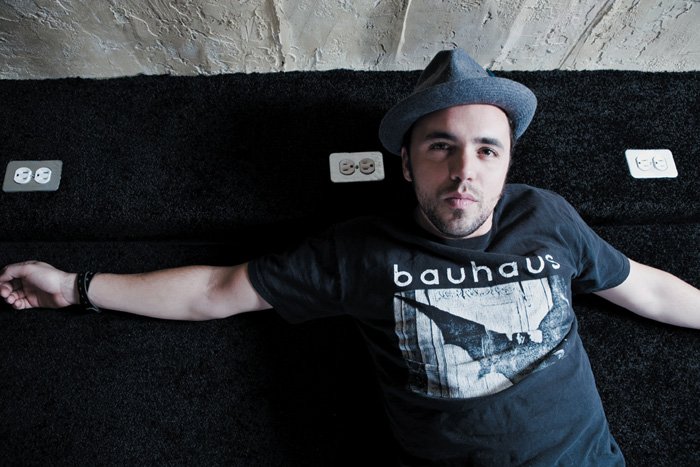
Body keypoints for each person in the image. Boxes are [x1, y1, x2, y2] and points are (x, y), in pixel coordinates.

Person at [1, 48, 698, 466]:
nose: (465, 170)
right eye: (441, 147)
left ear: (508, 162)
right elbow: (215, 289)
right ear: (407, 164)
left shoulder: (548, 216)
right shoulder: (360, 249)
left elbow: (648, 289)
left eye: (487, 149)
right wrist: (74, 285)